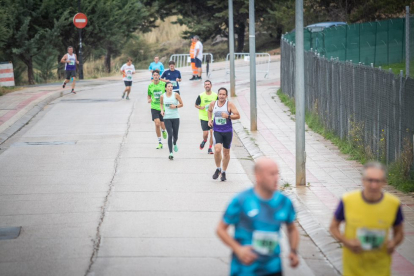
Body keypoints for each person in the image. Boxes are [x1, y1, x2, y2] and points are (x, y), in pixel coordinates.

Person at [216, 158, 300, 276]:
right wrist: (238, 249)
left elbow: (291, 228)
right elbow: (221, 229)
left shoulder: (284, 202)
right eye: (271, 174)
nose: (276, 178)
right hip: (244, 269)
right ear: (258, 176)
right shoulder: (241, 201)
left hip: (273, 269)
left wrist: (293, 251)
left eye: (277, 173)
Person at [330, 162, 404, 276]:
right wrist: (347, 242)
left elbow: (399, 232)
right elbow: (333, 227)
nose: (373, 185)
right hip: (353, 270)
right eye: (370, 180)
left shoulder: (393, 204)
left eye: (377, 181)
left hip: (381, 269)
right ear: (363, 181)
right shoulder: (348, 201)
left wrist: (393, 243)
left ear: (384, 182)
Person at [208, 87, 240, 181]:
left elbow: (238, 115)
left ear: (226, 96)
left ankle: (224, 171)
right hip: (217, 130)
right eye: (220, 94)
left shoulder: (229, 105)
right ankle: (218, 169)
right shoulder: (213, 104)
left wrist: (228, 116)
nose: (221, 96)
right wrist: (210, 120)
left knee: (226, 153)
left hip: (227, 131)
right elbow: (209, 111)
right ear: (217, 95)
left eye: (223, 94)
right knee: (217, 150)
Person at [160, 82, 183, 160]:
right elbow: (161, 104)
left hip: (175, 117)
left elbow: (182, 104)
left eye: (171, 86)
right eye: (168, 86)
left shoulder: (176, 95)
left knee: (175, 135)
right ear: (165, 88)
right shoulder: (162, 96)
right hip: (167, 117)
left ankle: (175, 143)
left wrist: (175, 106)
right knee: (170, 134)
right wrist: (162, 111)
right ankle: (171, 153)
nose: (170, 88)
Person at [195, 80, 217, 154]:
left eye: (208, 84)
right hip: (204, 117)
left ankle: (210, 148)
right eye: (206, 84)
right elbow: (196, 105)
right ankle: (204, 140)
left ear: (211, 86)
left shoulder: (215, 95)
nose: (207, 85)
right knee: (205, 134)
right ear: (204, 86)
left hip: (213, 117)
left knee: (212, 132)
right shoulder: (201, 95)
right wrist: (200, 107)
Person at [147, 70, 167, 149]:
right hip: (154, 107)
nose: (155, 76)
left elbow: (168, 93)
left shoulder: (163, 84)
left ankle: (163, 130)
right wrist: (149, 99)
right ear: (152, 76)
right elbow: (149, 95)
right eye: (154, 75)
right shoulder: (150, 86)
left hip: (163, 107)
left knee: (163, 125)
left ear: (159, 76)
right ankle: (160, 142)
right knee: (157, 124)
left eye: (157, 75)